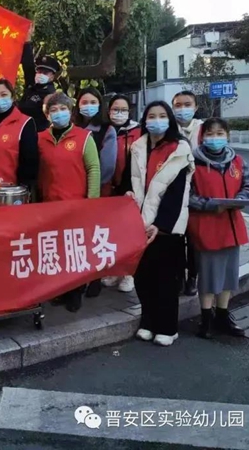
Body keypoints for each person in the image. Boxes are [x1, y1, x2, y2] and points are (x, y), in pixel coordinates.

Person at [129, 100, 194, 347]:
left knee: (165, 279)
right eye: (151, 116)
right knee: (143, 277)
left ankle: (168, 327)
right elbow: (130, 180)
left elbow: (178, 193)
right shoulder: (138, 146)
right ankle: (148, 322)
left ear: (170, 119)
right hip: (139, 224)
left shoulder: (180, 149)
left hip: (168, 227)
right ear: (144, 120)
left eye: (162, 115)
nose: (156, 120)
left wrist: (161, 224)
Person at [188, 118, 249, 339]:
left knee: (229, 275)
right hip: (206, 226)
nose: (215, 138)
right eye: (210, 134)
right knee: (208, 275)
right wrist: (209, 205)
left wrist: (241, 199)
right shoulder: (193, 163)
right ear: (202, 137)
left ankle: (223, 315)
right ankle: (206, 319)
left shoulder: (237, 161)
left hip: (232, 226)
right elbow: (187, 195)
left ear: (227, 135)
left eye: (219, 133)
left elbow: (247, 186)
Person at [38, 92, 101, 311]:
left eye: (63, 109)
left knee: (74, 251)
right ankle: (59, 290)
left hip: (76, 205)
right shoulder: (40, 139)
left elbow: (93, 169)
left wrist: (91, 202)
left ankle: (75, 292)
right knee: (55, 250)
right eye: (53, 110)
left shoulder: (84, 137)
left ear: (70, 111)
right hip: (49, 205)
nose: (59, 113)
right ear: (47, 115)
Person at [72, 88, 117, 297]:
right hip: (74, 192)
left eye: (92, 102)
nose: (88, 106)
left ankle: (96, 278)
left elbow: (107, 166)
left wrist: (93, 187)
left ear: (100, 105)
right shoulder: (73, 127)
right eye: (84, 102)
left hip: (98, 192)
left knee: (96, 237)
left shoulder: (107, 130)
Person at [104, 94, 142, 293]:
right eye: (115, 109)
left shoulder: (138, 132)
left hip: (130, 190)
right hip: (108, 190)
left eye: (123, 109)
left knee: (129, 233)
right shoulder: (104, 130)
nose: (119, 113)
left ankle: (129, 274)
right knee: (112, 233)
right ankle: (115, 270)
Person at [173, 90, 203, 297]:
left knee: (193, 238)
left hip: (197, 190)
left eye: (187, 104)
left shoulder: (203, 129)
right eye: (178, 105)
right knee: (176, 236)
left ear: (195, 107)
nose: (182, 109)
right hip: (174, 189)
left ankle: (193, 276)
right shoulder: (168, 129)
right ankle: (179, 277)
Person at [19, 38, 60, 132]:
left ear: (52, 77)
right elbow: (28, 66)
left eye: (45, 73)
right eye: (39, 71)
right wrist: (27, 42)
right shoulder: (33, 86)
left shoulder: (50, 94)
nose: (41, 74)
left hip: (38, 132)